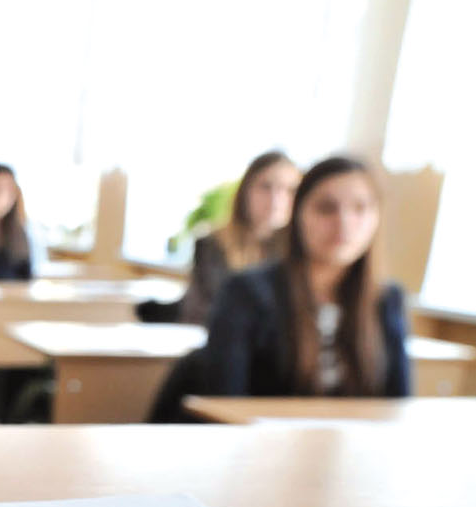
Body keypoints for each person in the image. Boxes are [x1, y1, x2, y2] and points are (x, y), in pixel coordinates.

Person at [201, 155, 408, 398]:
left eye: (360, 208)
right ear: (297, 213)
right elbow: (223, 399)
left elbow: (397, 405)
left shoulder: (387, 299)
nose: (344, 223)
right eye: (326, 208)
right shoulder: (246, 292)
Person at [173, 151, 299, 325]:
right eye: (266, 187)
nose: (276, 199)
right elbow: (204, 310)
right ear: (245, 191)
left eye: (289, 190)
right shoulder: (212, 243)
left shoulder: (300, 250)